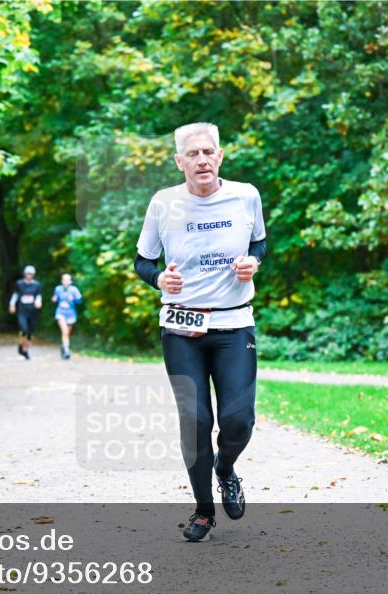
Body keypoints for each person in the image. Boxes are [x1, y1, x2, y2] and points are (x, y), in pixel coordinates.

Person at [133, 122, 266, 542]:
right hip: (181, 326)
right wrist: (159, 281)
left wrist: (254, 264)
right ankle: (204, 511)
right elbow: (142, 262)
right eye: (192, 154)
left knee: (238, 420)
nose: (202, 160)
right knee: (195, 420)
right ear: (179, 162)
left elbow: (259, 243)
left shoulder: (246, 195)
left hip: (233, 322)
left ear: (220, 156)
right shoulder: (163, 203)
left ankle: (225, 468)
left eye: (208, 152)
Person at [9, 265, 42, 360]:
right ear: (24, 274)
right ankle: (25, 350)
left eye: (31, 274)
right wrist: (12, 305)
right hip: (22, 311)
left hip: (32, 311)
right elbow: (15, 295)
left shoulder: (36, 285)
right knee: (24, 330)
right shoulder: (19, 284)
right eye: (28, 273)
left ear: (33, 275)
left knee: (30, 332)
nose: (29, 275)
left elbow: (38, 295)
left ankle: (23, 347)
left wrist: (39, 301)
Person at [52, 273, 82, 360]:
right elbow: (54, 298)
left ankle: (63, 346)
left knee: (67, 333)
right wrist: (54, 299)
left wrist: (74, 299)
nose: (65, 281)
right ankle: (67, 351)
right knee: (64, 331)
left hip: (71, 314)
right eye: (64, 279)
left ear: (70, 281)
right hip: (60, 313)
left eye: (67, 280)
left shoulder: (74, 290)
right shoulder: (58, 289)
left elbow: (79, 301)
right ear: (62, 281)